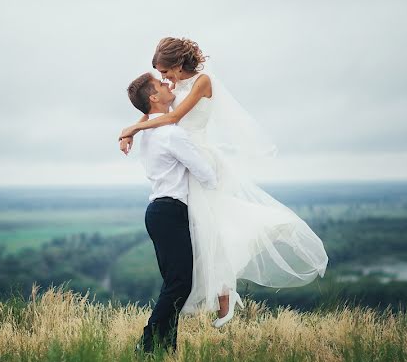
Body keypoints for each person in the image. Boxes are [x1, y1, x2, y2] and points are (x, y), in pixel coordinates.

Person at [120, 37, 328, 328]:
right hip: (180, 157)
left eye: (166, 73)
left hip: (197, 156)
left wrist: (132, 128)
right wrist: (132, 130)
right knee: (198, 231)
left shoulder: (202, 82)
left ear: (178, 65)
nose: (164, 80)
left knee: (214, 227)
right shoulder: (173, 87)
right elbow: (154, 112)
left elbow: (175, 116)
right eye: (161, 77)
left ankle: (222, 290)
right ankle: (217, 291)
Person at [126, 72, 218, 353]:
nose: (168, 84)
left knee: (175, 284)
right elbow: (206, 174)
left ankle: (166, 349)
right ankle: (147, 342)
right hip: (169, 211)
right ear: (154, 98)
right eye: (160, 84)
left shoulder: (152, 131)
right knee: (180, 283)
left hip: (159, 212)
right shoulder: (171, 134)